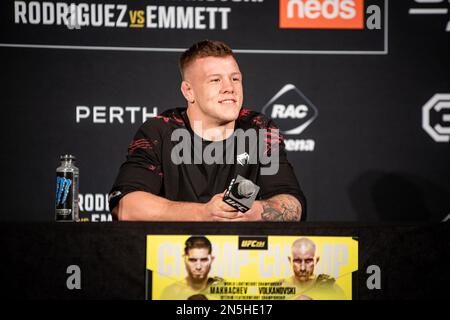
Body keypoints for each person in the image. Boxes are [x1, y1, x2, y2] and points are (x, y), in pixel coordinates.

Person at [109, 40, 306, 221]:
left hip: (241, 255)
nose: (229, 88)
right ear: (189, 91)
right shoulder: (159, 131)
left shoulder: (260, 129)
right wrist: (204, 213)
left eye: (235, 78)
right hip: (173, 254)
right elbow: (125, 206)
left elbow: (293, 205)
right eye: (215, 80)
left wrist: (248, 211)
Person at [282, 238, 347, 300]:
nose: (303, 268)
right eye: (297, 261)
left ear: (317, 260)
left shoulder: (333, 289)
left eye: (308, 261)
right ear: (290, 260)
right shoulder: (279, 287)